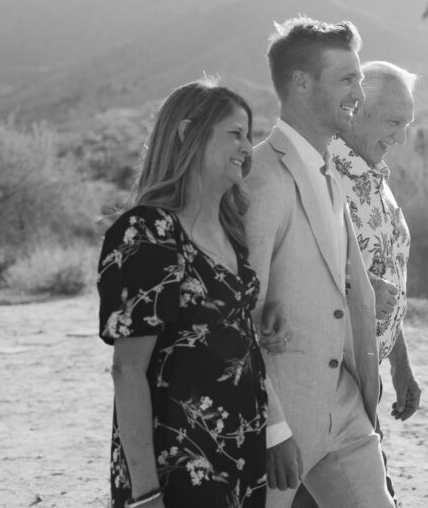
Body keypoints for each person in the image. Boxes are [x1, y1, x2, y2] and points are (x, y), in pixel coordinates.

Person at [97, 78, 287, 508]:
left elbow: (221, 333)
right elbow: (128, 371)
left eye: (250, 135)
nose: (247, 146)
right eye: (234, 134)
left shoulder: (231, 230)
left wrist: (260, 321)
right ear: (186, 134)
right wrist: (145, 494)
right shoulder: (148, 232)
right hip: (179, 462)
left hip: (241, 452)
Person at [245, 16, 395, 508]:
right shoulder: (263, 177)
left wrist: (365, 285)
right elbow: (246, 310)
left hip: (345, 399)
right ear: (302, 84)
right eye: (346, 79)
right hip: (286, 409)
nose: (359, 92)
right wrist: (272, 427)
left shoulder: (327, 169)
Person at [327, 60, 422, 498]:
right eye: (394, 121)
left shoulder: (376, 175)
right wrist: (360, 285)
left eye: (408, 123)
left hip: (367, 375)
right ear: (359, 109)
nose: (402, 136)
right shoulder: (324, 174)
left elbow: (388, 279)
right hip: (332, 380)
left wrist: (400, 366)